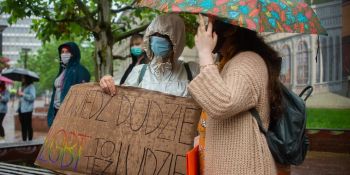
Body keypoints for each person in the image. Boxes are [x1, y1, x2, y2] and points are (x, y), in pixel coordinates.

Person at [188, 15, 282, 174]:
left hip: (245, 168)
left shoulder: (248, 61)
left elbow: (222, 104)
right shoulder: (232, 62)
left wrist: (205, 53)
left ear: (230, 29)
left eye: (212, 22)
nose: (206, 28)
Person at [100, 13, 199, 97]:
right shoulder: (139, 72)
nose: (157, 39)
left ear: (177, 40)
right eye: (155, 35)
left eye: (164, 35)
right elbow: (121, 98)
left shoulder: (192, 72)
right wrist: (107, 82)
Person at [47, 42, 91, 127]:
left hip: (68, 114)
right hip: (56, 110)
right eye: (62, 52)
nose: (64, 54)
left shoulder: (81, 70)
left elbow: (82, 96)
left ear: (73, 53)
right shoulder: (63, 71)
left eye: (67, 52)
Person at [18, 77, 36, 141]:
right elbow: (21, 98)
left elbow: (32, 97)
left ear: (27, 78)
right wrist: (20, 93)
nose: (22, 79)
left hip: (27, 110)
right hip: (21, 109)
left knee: (28, 126)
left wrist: (22, 94)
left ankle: (30, 141)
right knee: (23, 126)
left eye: (23, 77)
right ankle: (24, 141)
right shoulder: (23, 87)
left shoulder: (31, 87)